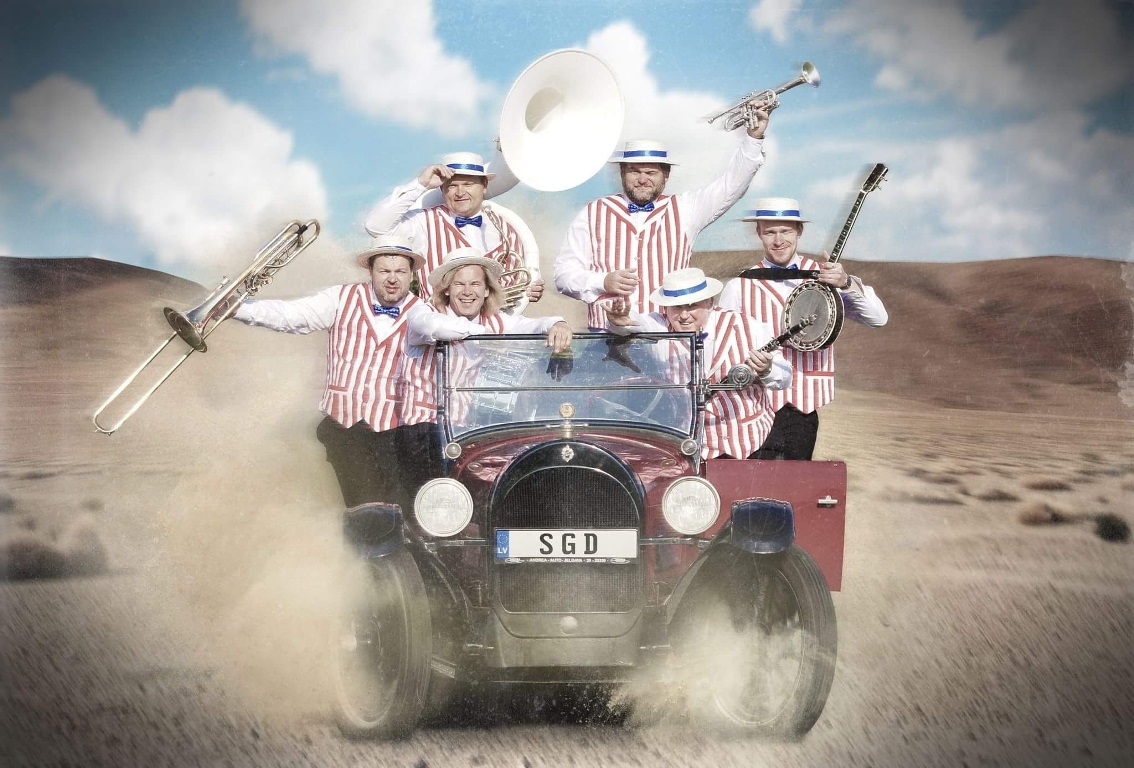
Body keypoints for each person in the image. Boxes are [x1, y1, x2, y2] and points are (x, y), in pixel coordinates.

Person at [231, 234, 426, 510]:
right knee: (369, 508)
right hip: (345, 429)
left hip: (395, 434)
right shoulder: (340, 297)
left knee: (405, 509)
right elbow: (292, 316)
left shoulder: (424, 313)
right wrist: (237, 308)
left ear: (411, 274)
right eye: (384, 271)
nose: (392, 279)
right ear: (370, 271)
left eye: (400, 272)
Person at [554, 104, 771, 331]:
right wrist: (602, 282)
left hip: (666, 339)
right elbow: (563, 274)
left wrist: (753, 139)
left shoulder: (685, 209)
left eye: (651, 173)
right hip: (604, 338)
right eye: (634, 171)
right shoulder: (592, 212)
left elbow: (730, 186)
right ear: (622, 173)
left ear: (666, 175)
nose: (642, 179)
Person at [718, 197, 888, 460]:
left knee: (796, 482)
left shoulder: (827, 276)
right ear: (758, 233)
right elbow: (725, 345)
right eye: (770, 232)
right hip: (753, 408)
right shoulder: (740, 286)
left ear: (799, 230)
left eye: (786, 231)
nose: (778, 240)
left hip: (803, 410)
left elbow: (878, 318)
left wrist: (846, 283)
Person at [398, 247, 573, 492]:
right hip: (424, 430)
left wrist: (558, 323)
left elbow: (534, 325)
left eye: (475, 284)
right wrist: (485, 335)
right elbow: (433, 327)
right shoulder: (424, 312)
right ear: (446, 289)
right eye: (459, 284)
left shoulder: (496, 320)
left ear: (487, 290)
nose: (467, 291)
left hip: (467, 431)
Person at [607, 267, 790, 460]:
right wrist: (618, 320)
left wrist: (767, 369)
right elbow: (631, 323)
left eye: (692, 305)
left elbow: (785, 377)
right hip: (692, 447)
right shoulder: (660, 328)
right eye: (676, 307)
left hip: (753, 442)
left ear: (710, 303)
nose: (684, 315)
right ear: (666, 309)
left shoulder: (747, 326)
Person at [364, 151, 544, 308]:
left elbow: (519, 282)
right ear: (442, 189)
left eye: (468, 184)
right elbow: (375, 227)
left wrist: (529, 290)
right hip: (440, 333)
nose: (459, 192)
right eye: (451, 186)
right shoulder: (424, 222)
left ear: (484, 186)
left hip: (499, 331)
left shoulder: (508, 228)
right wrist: (420, 185)